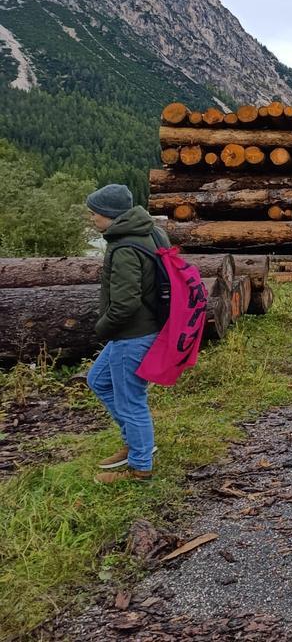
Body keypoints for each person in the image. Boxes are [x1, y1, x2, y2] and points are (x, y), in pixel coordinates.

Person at [85, 184, 168, 485]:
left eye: (94, 211)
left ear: (110, 214)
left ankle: (140, 468)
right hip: (145, 329)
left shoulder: (124, 248)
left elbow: (124, 305)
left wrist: (100, 328)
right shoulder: (149, 231)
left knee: (131, 400)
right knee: (98, 380)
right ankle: (135, 442)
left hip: (133, 335)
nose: (91, 216)